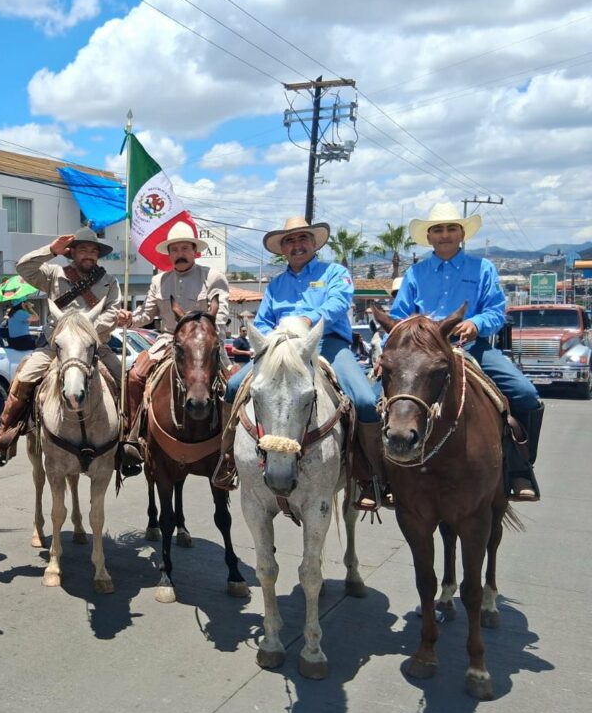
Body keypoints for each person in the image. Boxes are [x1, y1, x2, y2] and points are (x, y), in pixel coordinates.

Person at [225, 216, 385, 505]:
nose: (297, 245)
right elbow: (262, 322)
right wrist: (266, 338)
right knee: (234, 385)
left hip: (327, 343)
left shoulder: (335, 273)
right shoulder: (276, 285)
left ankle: (370, 475)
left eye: (302, 239)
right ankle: (226, 460)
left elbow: (337, 303)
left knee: (363, 400)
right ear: (283, 249)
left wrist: (309, 319)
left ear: (314, 243)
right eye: (290, 240)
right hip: (281, 348)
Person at [390, 202, 543, 502]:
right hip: (423, 356)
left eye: (450, 229)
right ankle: (382, 475)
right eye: (437, 230)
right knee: (373, 401)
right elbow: (400, 316)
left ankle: (519, 468)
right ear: (429, 237)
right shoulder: (415, 273)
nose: (444, 234)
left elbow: (497, 311)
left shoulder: (483, 268)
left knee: (525, 394)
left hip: (472, 348)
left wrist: (476, 323)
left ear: (461, 234)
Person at [0, 227, 122, 464]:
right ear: (72, 252)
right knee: (24, 378)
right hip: (54, 345)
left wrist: (85, 332)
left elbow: (114, 311)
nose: (88, 254)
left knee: (127, 381)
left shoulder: (109, 282)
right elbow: (23, 268)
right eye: (83, 249)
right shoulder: (54, 273)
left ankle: (128, 440)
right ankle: (6, 437)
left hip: (96, 345)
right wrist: (50, 250)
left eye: (93, 250)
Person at [116, 221, 231, 477]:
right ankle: (134, 435)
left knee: (233, 384)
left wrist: (199, 335)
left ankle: (231, 446)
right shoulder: (159, 280)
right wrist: (128, 319)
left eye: (184, 248)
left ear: (194, 251)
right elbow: (146, 315)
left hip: (204, 341)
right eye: (174, 249)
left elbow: (220, 315)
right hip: (168, 339)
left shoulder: (213, 277)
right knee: (134, 376)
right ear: (169, 254)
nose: (179, 253)